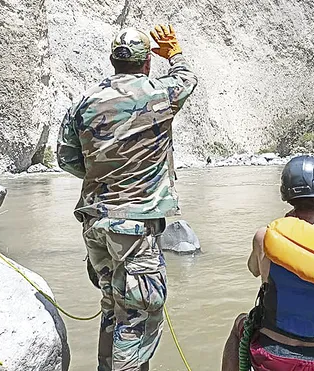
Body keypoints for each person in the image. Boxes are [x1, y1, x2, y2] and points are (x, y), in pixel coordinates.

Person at [57, 25, 198, 371]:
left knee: (113, 306)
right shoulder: (160, 94)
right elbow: (188, 79)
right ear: (146, 62)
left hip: (95, 221)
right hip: (134, 226)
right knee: (138, 313)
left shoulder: (84, 102)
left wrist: (105, 177)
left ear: (112, 60)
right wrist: (174, 53)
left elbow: (66, 159)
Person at [221, 156, 314, 371]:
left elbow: (253, 269)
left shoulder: (265, 236)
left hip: (271, 357)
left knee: (240, 323)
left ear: (287, 197)